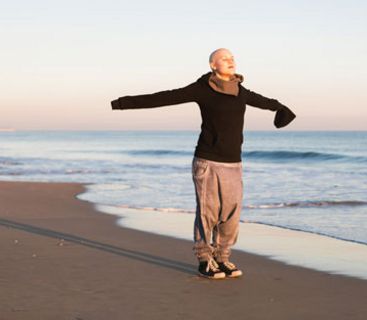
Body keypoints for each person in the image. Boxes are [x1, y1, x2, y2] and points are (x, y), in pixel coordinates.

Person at [111, 48, 296, 279]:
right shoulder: (203, 88)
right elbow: (167, 96)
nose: (231, 61)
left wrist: (281, 109)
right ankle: (204, 260)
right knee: (208, 213)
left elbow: (266, 101)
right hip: (207, 161)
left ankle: (222, 257)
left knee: (231, 214)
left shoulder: (241, 90)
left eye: (232, 58)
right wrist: (121, 103)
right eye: (224, 59)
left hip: (233, 163)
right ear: (212, 65)